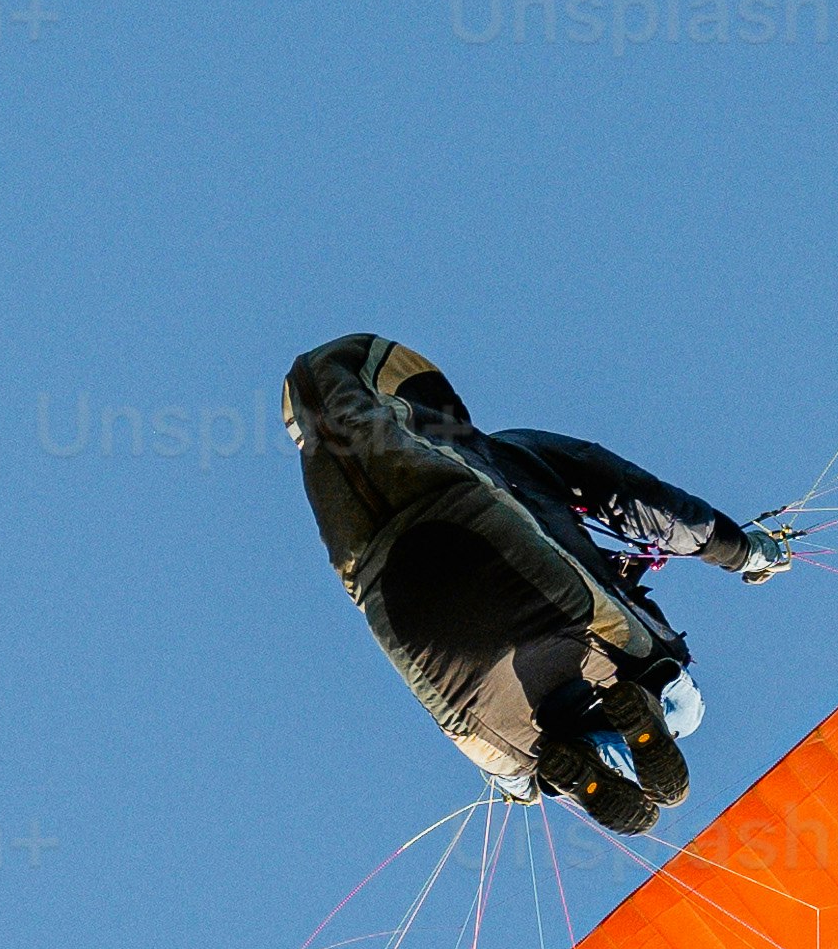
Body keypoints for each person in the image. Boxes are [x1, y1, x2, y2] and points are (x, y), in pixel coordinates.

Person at [282, 335, 793, 832]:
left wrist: (518, 785)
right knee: (681, 702)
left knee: (524, 768)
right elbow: (635, 499)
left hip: (418, 629)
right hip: (523, 584)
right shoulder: (506, 452)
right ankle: (600, 750)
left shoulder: (332, 491)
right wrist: (744, 550)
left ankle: (578, 765)